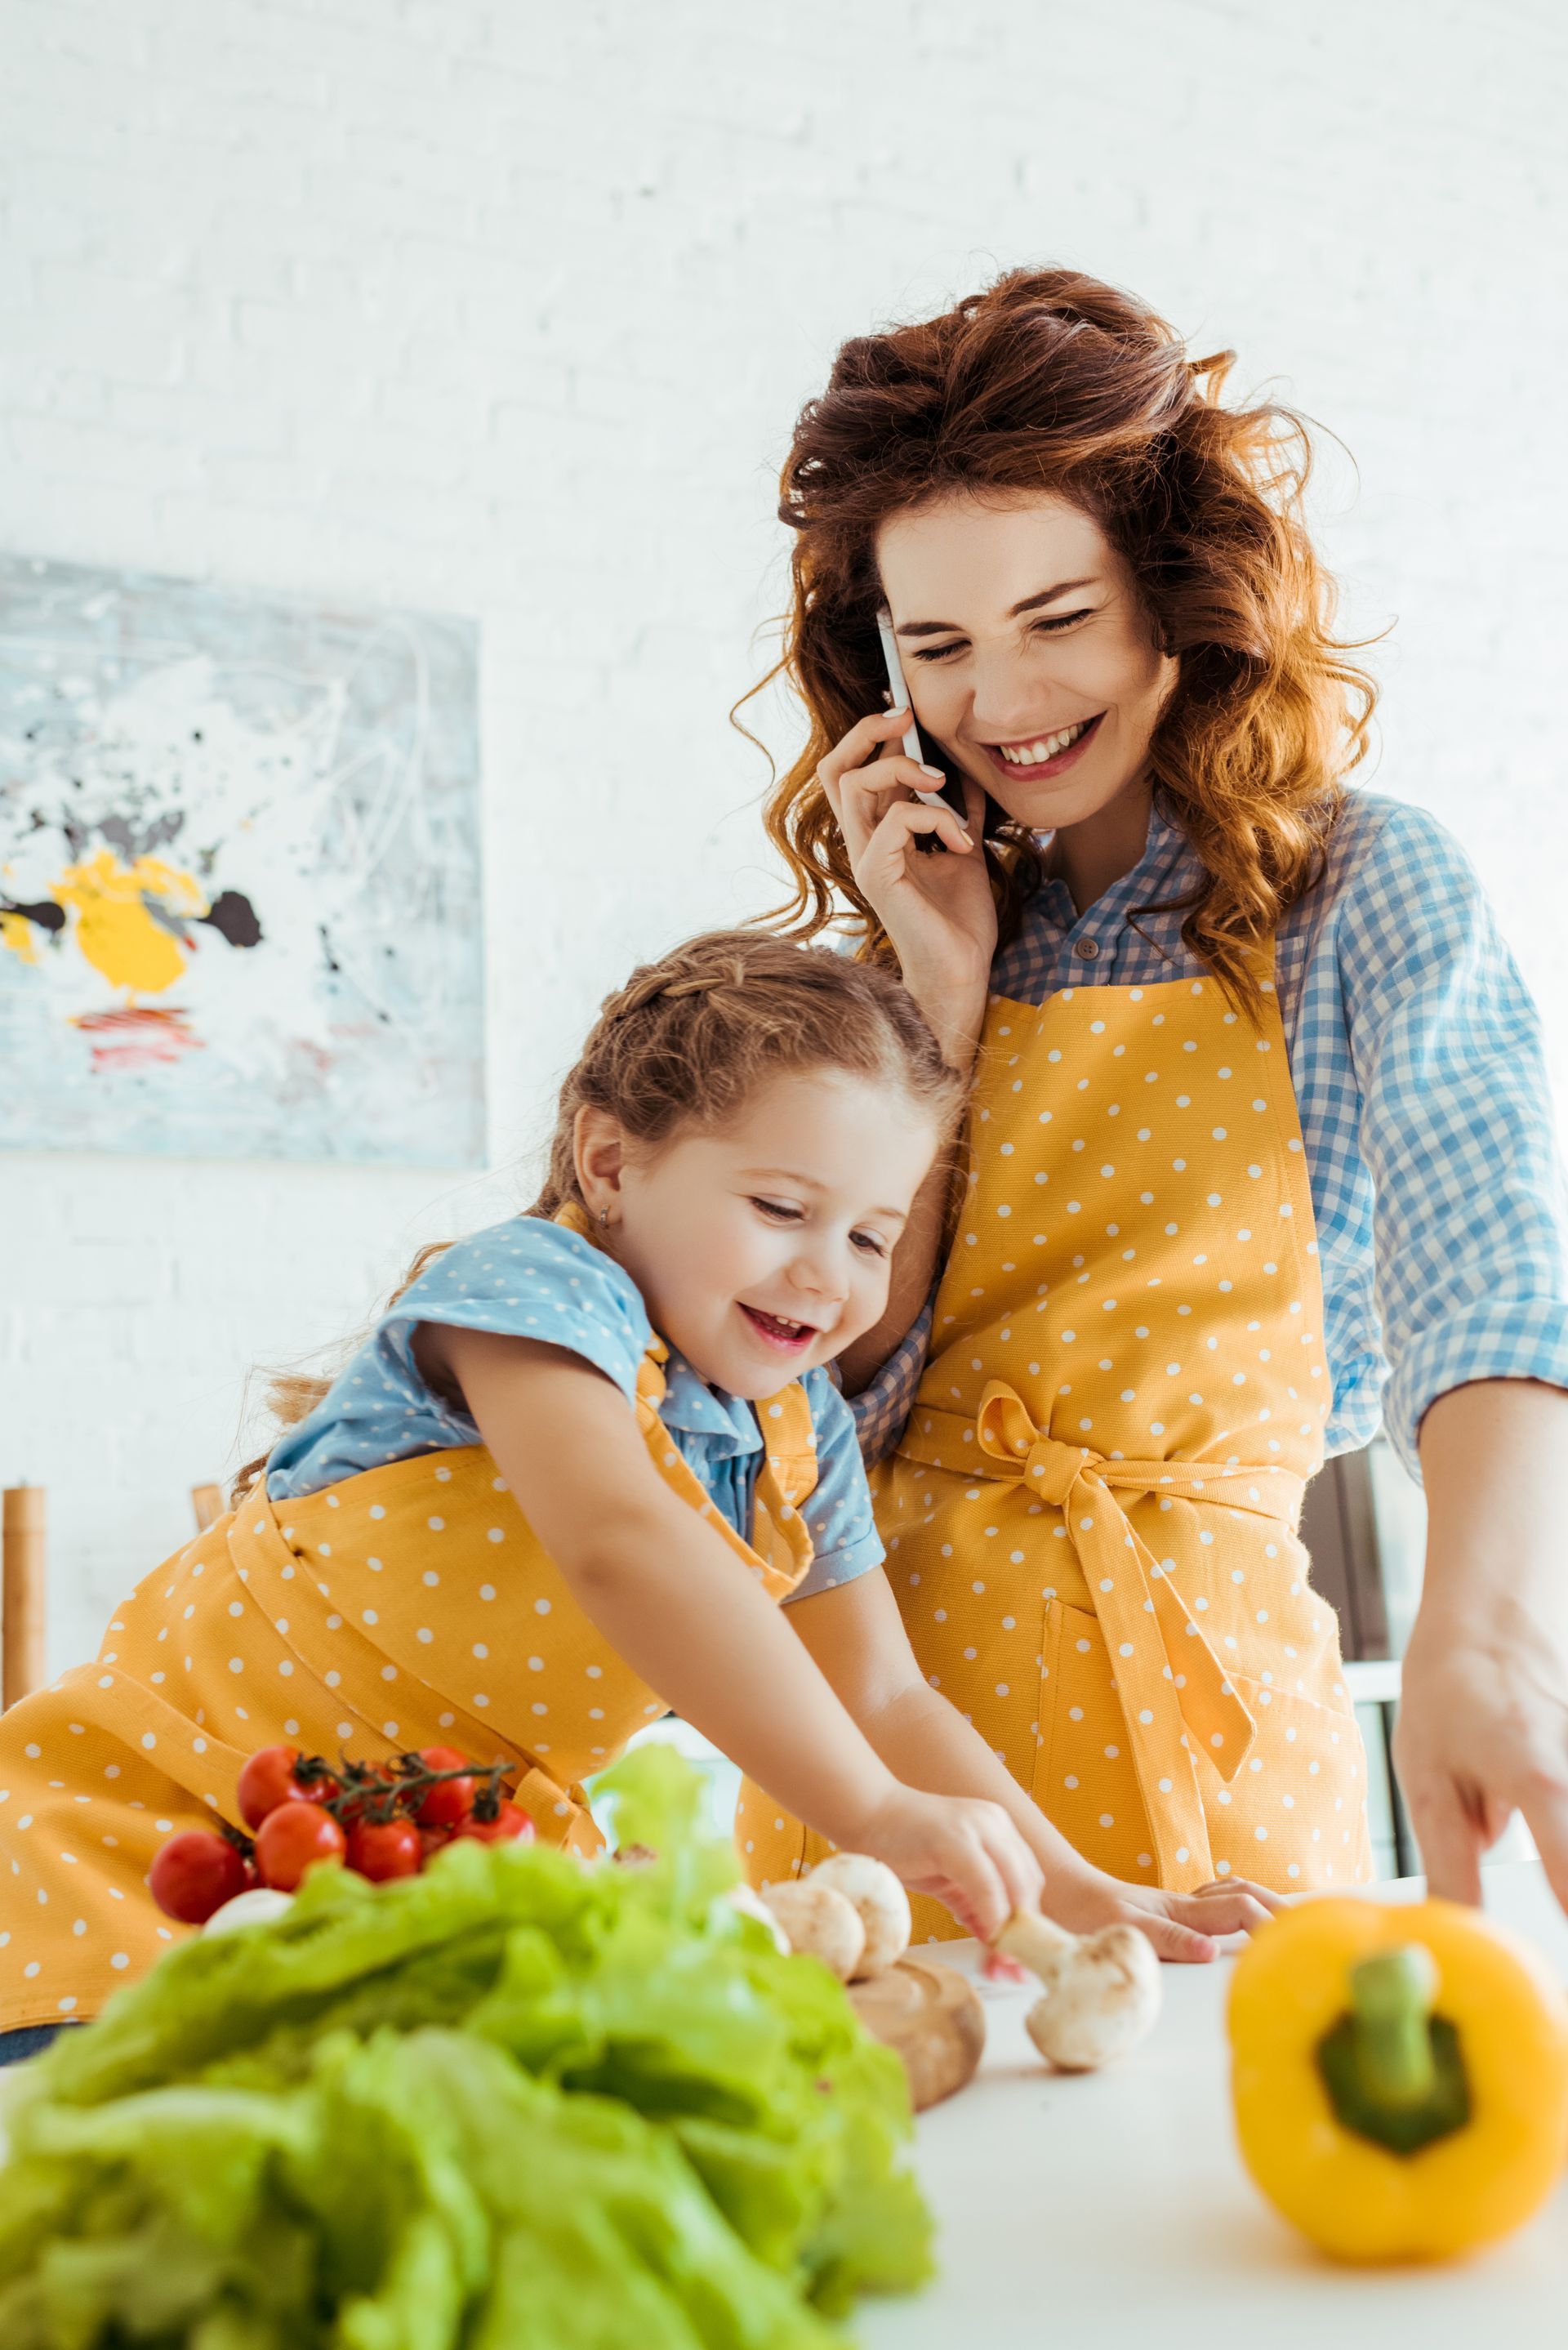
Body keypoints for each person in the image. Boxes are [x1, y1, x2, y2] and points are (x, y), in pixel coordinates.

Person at [0, 930, 1273, 2063]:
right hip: (141, 1842)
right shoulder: (531, 1291)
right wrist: (874, 1816)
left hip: (403, 1888)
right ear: (610, 1162)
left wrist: (1076, 1887)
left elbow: (884, 1692)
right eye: (783, 1206)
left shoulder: (794, 1435)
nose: (828, 1275)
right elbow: (620, 1539)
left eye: (873, 1234)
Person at [735, 267, 1568, 1935]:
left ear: (1173, 595)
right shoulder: (898, 959)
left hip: (1212, 1721)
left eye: (1060, 618)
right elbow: (826, 1389)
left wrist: (1483, 1633)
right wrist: (939, 998)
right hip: (886, 1761)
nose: (1008, 703)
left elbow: (1492, 1257)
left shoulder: (1358, 891)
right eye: (942, 645)